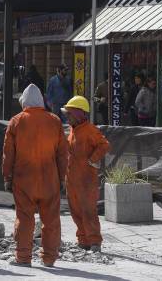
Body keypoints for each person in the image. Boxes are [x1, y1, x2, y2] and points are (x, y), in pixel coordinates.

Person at [2, 83, 68, 268]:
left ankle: (23, 258)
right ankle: (49, 258)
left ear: (24, 103)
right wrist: (62, 178)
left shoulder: (16, 121)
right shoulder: (55, 121)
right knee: (51, 220)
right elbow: (63, 154)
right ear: (42, 101)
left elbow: (8, 154)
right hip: (50, 180)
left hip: (24, 180)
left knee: (24, 218)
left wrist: (7, 177)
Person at [62, 96, 110, 253]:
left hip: (87, 180)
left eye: (69, 114)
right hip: (72, 180)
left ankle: (95, 241)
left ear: (78, 114)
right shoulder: (72, 131)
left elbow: (104, 145)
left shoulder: (90, 130)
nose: (67, 117)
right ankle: (83, 240)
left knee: (88, 211)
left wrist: (92, 159)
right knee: (75, 210)